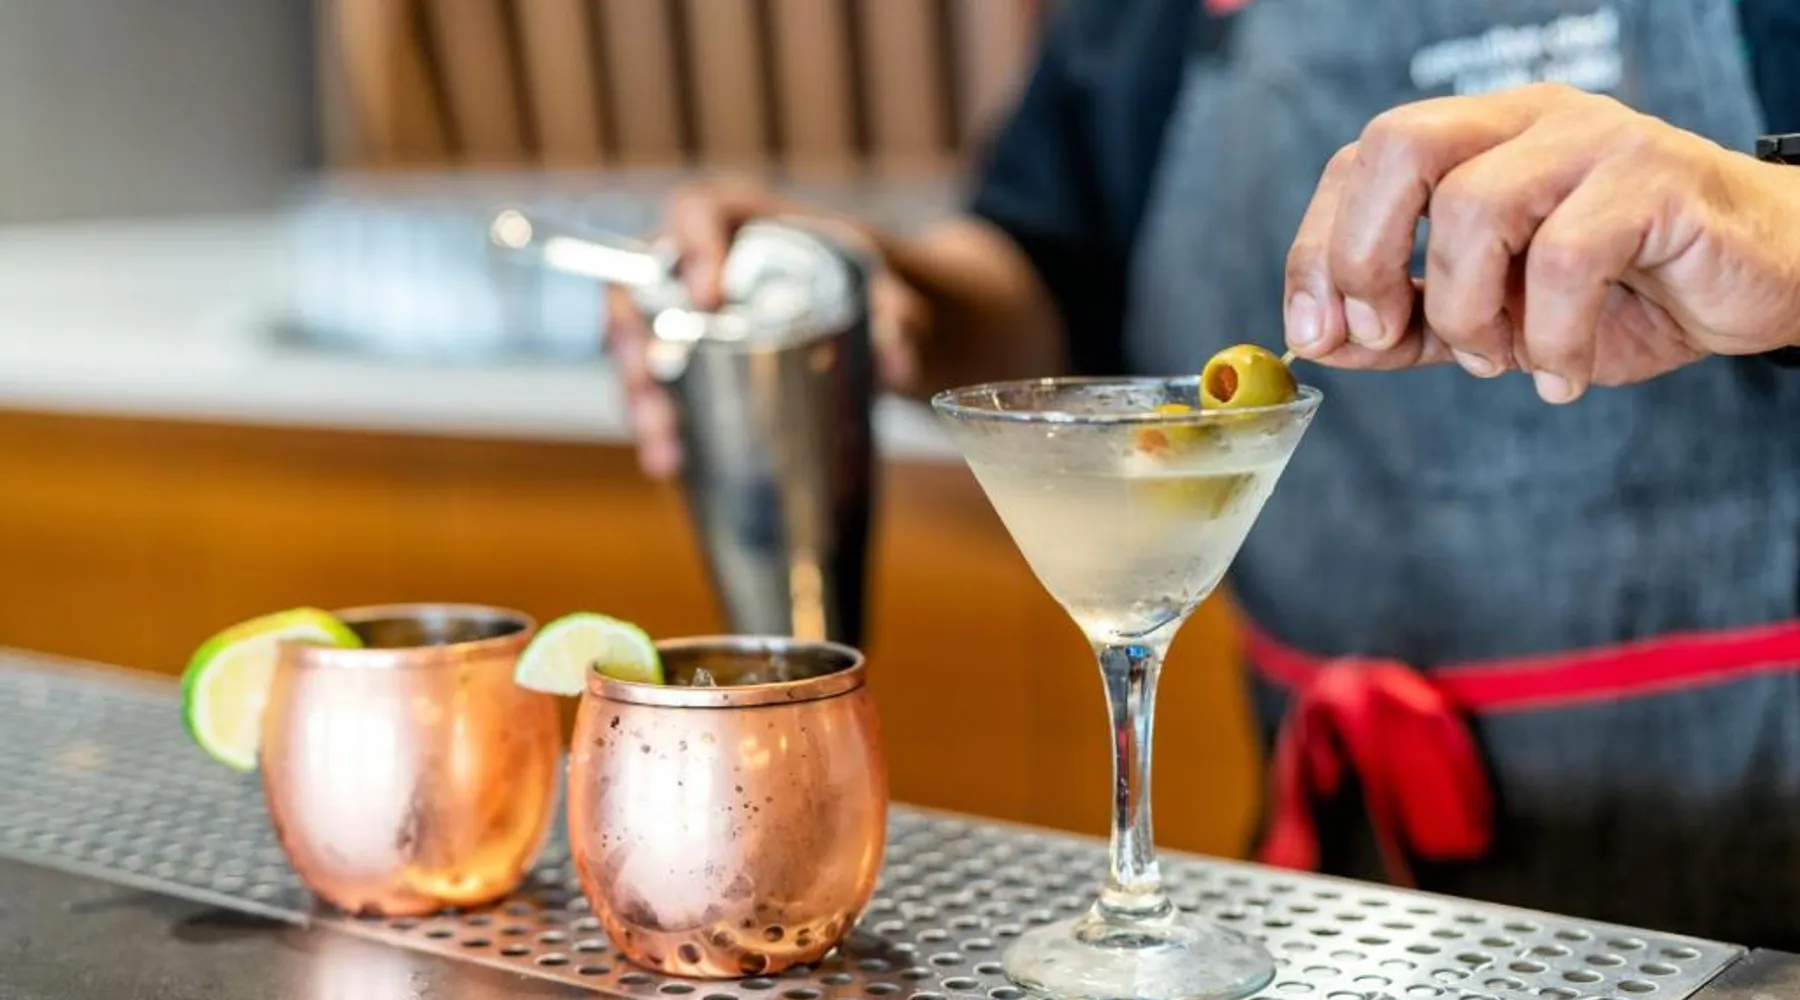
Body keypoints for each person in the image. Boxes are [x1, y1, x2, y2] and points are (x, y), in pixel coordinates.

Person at [610, 0, 1800, 946]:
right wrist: (867, 279)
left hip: (1756, 869)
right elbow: (1048, 271)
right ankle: (1135, 901)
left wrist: (1775, 224)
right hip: (1337, 891)